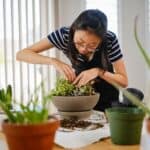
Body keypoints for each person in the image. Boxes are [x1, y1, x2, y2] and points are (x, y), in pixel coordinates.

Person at [16, 9, 128, 111]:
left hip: (108, 101)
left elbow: (123, 81)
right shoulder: (63, 35)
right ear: (74, 29)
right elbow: (21, 54)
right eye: (80, 42)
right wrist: (53, 61)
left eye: (92, 45)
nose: (84, 49)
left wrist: (98, 72)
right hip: (80, 99)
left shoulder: (109, 39)